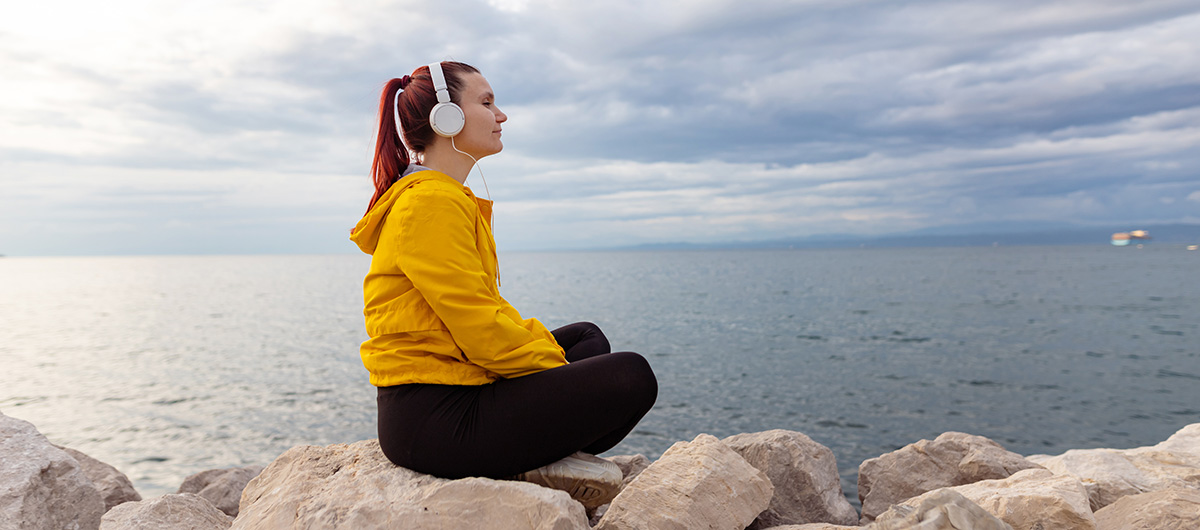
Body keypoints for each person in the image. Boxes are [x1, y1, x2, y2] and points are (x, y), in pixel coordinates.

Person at [349, 61, 658, 509]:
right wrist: (558, 374)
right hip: (432, 420)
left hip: (454, 393)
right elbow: (480, 329)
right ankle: (520, 463)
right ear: (446, 118)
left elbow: (486, 313)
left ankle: (532, 456)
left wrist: (557, 368)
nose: (502, 115)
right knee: (632, 375)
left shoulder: (446, 197)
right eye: (487, 102)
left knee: (588, 339)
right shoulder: (429, 204)